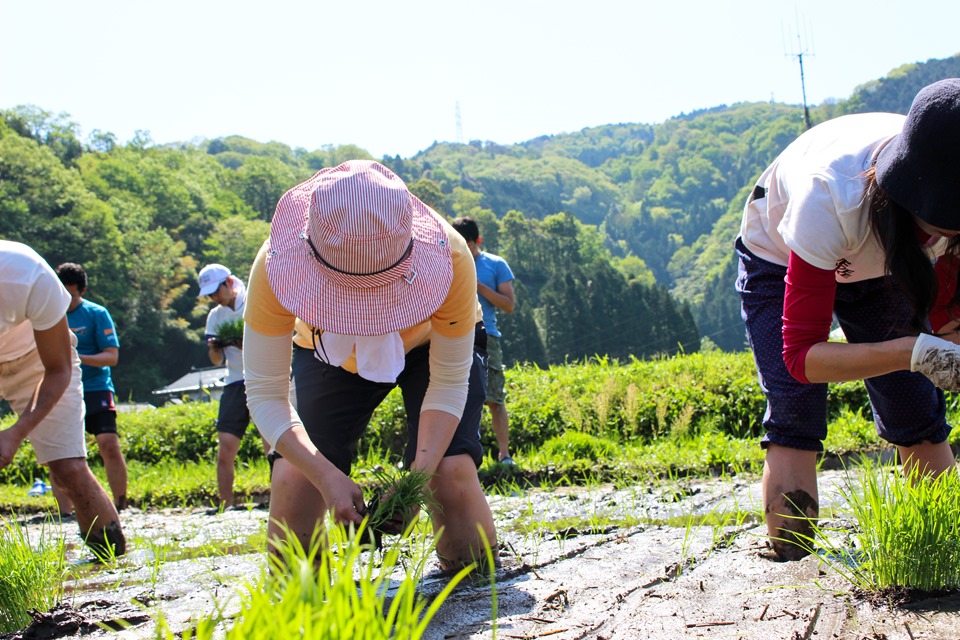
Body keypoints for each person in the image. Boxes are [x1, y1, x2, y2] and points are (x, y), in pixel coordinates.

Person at [735, 79, 960, 561]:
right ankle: (790, 557)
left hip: (881, 255)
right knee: (796, 407)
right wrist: (911, 351)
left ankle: (941, 549)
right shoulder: (831, 198)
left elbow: (950, 319)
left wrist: (943, 350)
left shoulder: (948, 176)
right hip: (781, 256)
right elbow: (801, 358)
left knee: (914, 404)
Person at [243, 160, 498, 571]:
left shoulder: (450, 255)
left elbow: (449, 382)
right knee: (294, 479)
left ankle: (474, 581)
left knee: (449, 476)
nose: (365, 314)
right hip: (326, 351)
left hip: (427, 346)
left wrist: (416, 480)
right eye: (347, 297)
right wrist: (326, 477)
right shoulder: (275, 265)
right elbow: (265, 395)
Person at [0, 240, 125, 557]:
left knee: (67, 467)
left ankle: (111, 563)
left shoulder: (24, 272)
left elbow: (57, 370)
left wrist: (15, 433)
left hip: (36, 360)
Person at [50, 263, 128, 513]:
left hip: (96, 387)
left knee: (108, 444)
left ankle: (121, 503)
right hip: (61, 389)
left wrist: (75, 358)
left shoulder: (97, 313)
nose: (66, 300)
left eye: (70, 295)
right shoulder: (49, 314)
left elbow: (111, 357)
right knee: (60, 451)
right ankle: (65, 513)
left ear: (81, 291)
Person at [198, 263, 264, 509]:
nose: (215, 297)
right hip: (234, 381)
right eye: (210, 294)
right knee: (225, 446)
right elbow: (216, 360)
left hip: (262, 377)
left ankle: (280, 497)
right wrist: (215, 347)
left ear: (228, 282)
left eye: (217, 290)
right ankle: (225, 504)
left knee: (273, 442)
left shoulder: (252, 300)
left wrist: (242, 342)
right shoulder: (215, 316)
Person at [452, 216, 516, 464]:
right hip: (455, 334)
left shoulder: (495, 264)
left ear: (476, 241)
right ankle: (462, 457)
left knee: (494, 398)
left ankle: (504, 455)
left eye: (466, 243)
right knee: (457, 397)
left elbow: (509, 305)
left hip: (487, 335)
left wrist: (478, 286)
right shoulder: (448, 260)